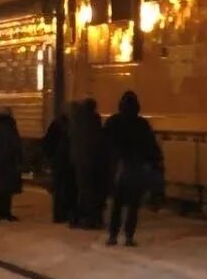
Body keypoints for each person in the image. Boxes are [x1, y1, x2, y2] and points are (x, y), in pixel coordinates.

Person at [102, 91, 163, 246]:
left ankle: (113, 235)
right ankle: (129, 236)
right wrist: (155, 164)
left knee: (116, 205)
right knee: (133, 206)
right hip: (136, 170)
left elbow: (104, 144)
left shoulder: (113, 122)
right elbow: (151, 147)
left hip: (119, 169)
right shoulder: (142, 124)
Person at [69, 98, 105, 229]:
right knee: (91, 190)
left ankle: (78, 218)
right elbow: (98, 141)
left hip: (79, 160)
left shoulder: (76, 120)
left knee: (82, 190)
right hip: (92, 161)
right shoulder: (94, 120)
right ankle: (89, 219)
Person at [41, 103, 76, 224]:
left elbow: (47, 143)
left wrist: (50, 158)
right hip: (66, 162)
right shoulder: (70, 125)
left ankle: (59, 214)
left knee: (58, 188)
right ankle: (64, 213)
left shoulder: (56, 124)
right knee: (66, 187)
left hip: (58, 161)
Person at [0, 107, 23, 221]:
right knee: (7, 189)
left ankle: (0, 211)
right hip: (8, 161)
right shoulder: (10, 126)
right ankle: (6, 212)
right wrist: (19, 157)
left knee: (0, 188)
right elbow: (15, 143)